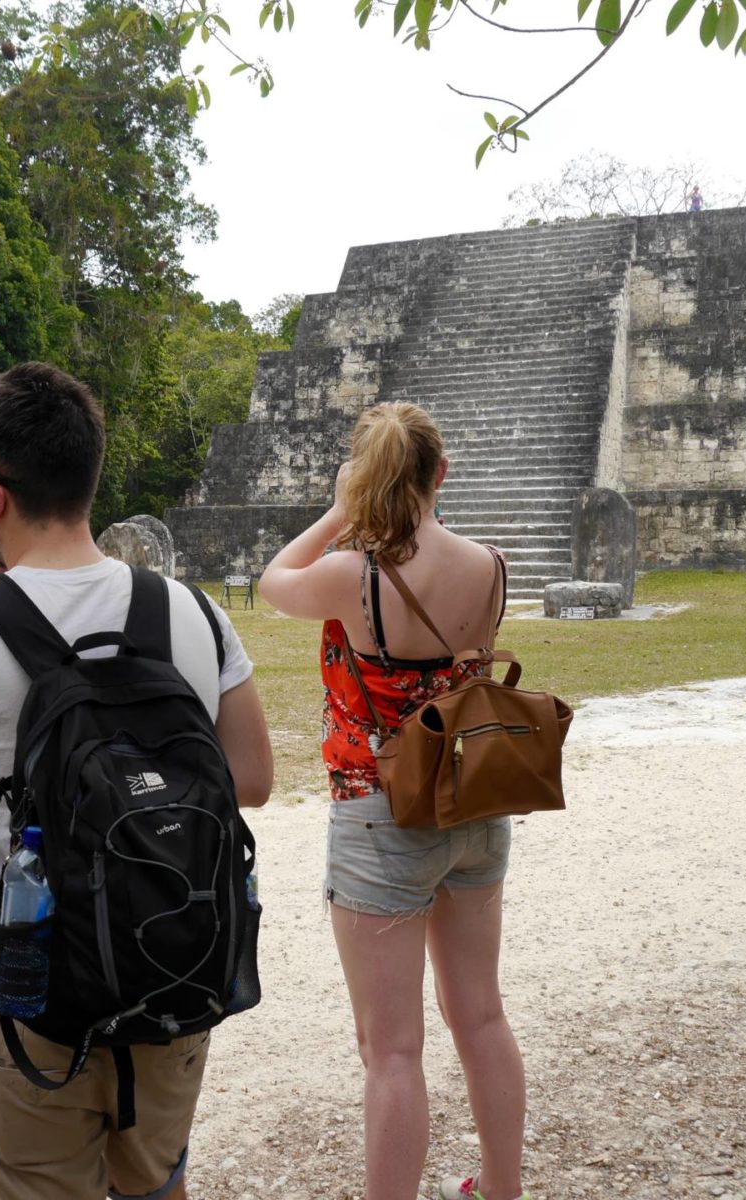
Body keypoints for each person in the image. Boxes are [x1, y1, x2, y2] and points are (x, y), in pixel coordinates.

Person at [0, 362, 275, 1200]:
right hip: (172, 958)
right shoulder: (194, 612)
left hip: (26, 988)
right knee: (158, 1186)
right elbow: (254, 779)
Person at [260, 403, 530, 1200]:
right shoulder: (490, 565)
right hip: (473, 797)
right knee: (480, 1015)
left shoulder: (357, 574)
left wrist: (340, 511)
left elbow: (277, 580)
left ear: (371, 479)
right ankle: (505, 1188)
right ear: (441, 473)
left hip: (380, 808)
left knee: (392, 1050)